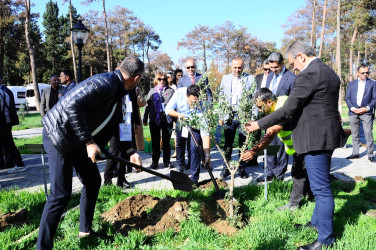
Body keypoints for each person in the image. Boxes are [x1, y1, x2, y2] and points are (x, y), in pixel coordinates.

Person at [37, 56, 145, 249]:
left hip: (77, 141)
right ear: (136, 79)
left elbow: (118, 124)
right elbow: (72, 106)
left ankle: (84, 231)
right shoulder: (105, 83)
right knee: (60, 195)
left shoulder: (118, 91)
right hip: (58, 136)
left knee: (93, 181)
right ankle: (43, 247)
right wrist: (89, 141)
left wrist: (130, 152)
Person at [245, 41, 344, 249]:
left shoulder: (309, 74)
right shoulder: (328, 71)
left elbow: (290, 107)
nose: (293, 68)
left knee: (321, 190)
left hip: (315, 139)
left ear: (301, 56)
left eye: (292, 63)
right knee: (320, 186)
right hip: (326, 136)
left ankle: (325, 240)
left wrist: (259, 124)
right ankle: (316, 224)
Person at [241, 88, 313, 211]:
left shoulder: (282, 108)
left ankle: (294, 205)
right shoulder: (281, 101)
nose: (259, 110)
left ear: (269, 102)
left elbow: (271, 132)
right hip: (299, 146)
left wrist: (254, 151)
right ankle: (310, 197)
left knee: (298, 173)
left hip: (306, 144)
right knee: (305, 172)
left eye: (260, 107)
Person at [257, 52, 295, 182]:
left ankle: (279, 174)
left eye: (275, 67)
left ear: (282, 64)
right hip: (269, 117)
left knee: (282, 147)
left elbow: (293, 101)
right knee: (269, 144)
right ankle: (269, 172)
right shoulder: (269, 77)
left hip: (283, 120)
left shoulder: (291, 78)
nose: (273, 70)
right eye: (271, 67)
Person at [218, 58, 256, 179]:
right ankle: (226, 167)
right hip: (229, 115)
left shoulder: (250, 79)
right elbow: (222, 97)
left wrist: (253, 118)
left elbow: (254, 99)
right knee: (227, 144)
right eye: (235, 67)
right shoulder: (225, 78)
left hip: (243, 115)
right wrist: (221, 115)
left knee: (242, 143)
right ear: (231, 67)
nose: (237, 70)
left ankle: (242, 168)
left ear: (243, 66)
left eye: (239, 67)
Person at [165, 84, 211, 185]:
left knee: (195, 149)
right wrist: (179, 115)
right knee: (180, 144)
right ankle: (180, 165)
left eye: (196, 102)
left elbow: (205, 133)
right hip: (181, 120)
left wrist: (207, 154)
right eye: (191, 102)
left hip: (196, 124)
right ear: (186, 96)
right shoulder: (179, 93)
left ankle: (194, 179)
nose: (193, 104)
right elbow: (167, 110)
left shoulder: (202, 105)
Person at [143, 72, 175, 169]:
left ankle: (167, 161)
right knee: (155, 142)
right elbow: (147, 106)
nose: (162, 81)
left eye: (164, 79)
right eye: (160, 79)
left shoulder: (171, 91)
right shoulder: (152, 91)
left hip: (167, 120)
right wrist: (145, 118)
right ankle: (155, 161)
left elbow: (175, 105)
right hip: (154, 120)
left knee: (166, 142)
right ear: (156, 80)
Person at [345, 64, 376, 162]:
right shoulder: (351, 84)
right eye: (363, 73)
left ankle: (370, 154)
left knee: (368, 133)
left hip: (366, 112)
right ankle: (355, 153)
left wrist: (366, 108)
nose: (365, 74)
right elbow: (347, 97)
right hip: (353, 112)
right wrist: (353, 108)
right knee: (355, 133)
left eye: (367, 72)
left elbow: (374, 98)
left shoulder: (372, 83)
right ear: (358, 73)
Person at [0, 76, 26, 174]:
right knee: (8, 144)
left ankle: (19, 164)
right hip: (5, 121)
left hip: (3, 122)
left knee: (8, 144)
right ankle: (17, 163)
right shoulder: (4, 91)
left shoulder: (2, 92)